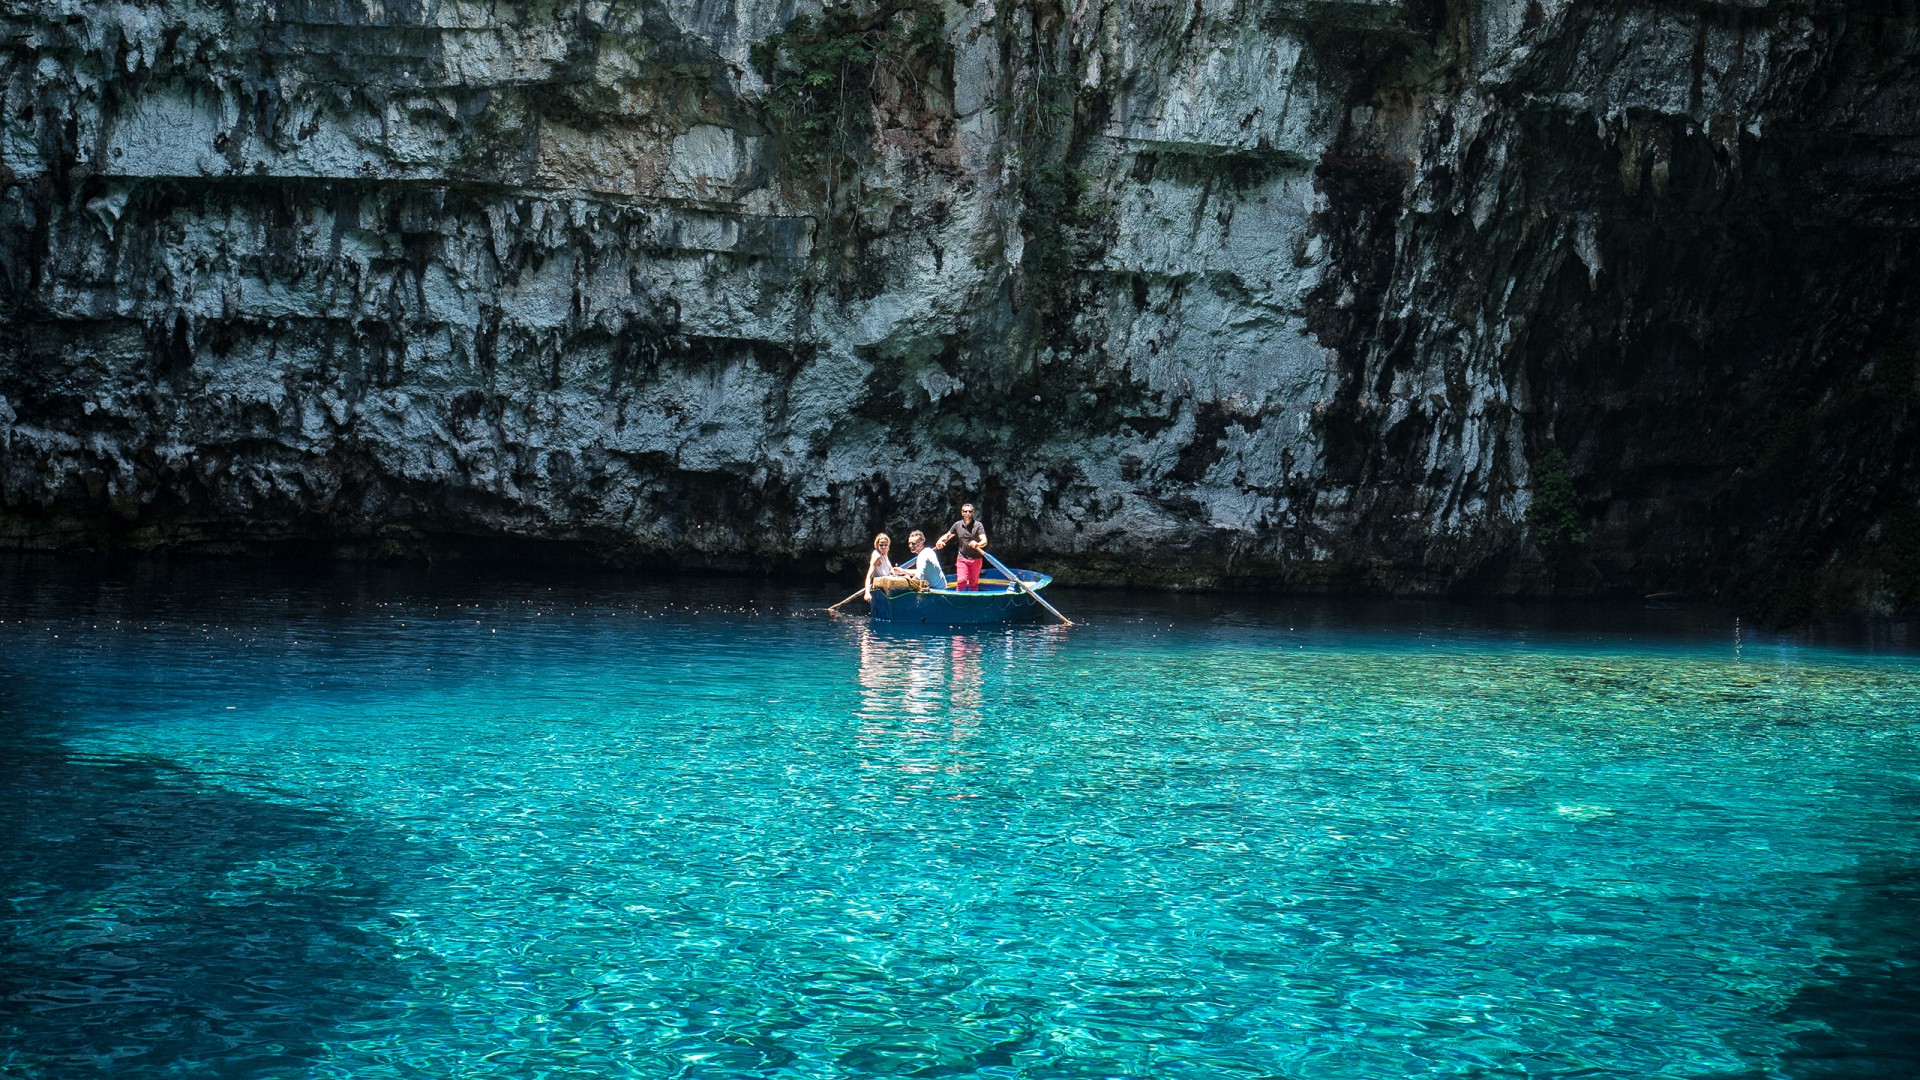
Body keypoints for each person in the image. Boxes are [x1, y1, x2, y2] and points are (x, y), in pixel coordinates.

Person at [935, 503, 987, 592]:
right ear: (962, 513)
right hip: (962, 558)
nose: (967, 513)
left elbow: (984, 541)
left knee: (974, 583)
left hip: (976, 559)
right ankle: (958, 601)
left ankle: (972, 602)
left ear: (973, 512)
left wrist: (977, 544)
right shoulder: (957, 525)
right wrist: (940, 541)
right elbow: (947, 536)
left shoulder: (978, 526)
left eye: (970, 511)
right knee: (961, 581)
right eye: (965, 511)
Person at [862, 533, 895, 601]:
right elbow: (869, 576)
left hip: (888, 582)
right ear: (877, 545)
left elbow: (890, 567)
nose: (883, 547)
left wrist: (892, 570)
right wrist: (867, 593)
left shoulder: (884, 553)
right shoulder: (877, 557)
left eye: (885, 545)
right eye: (881, 545)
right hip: (881, 587)